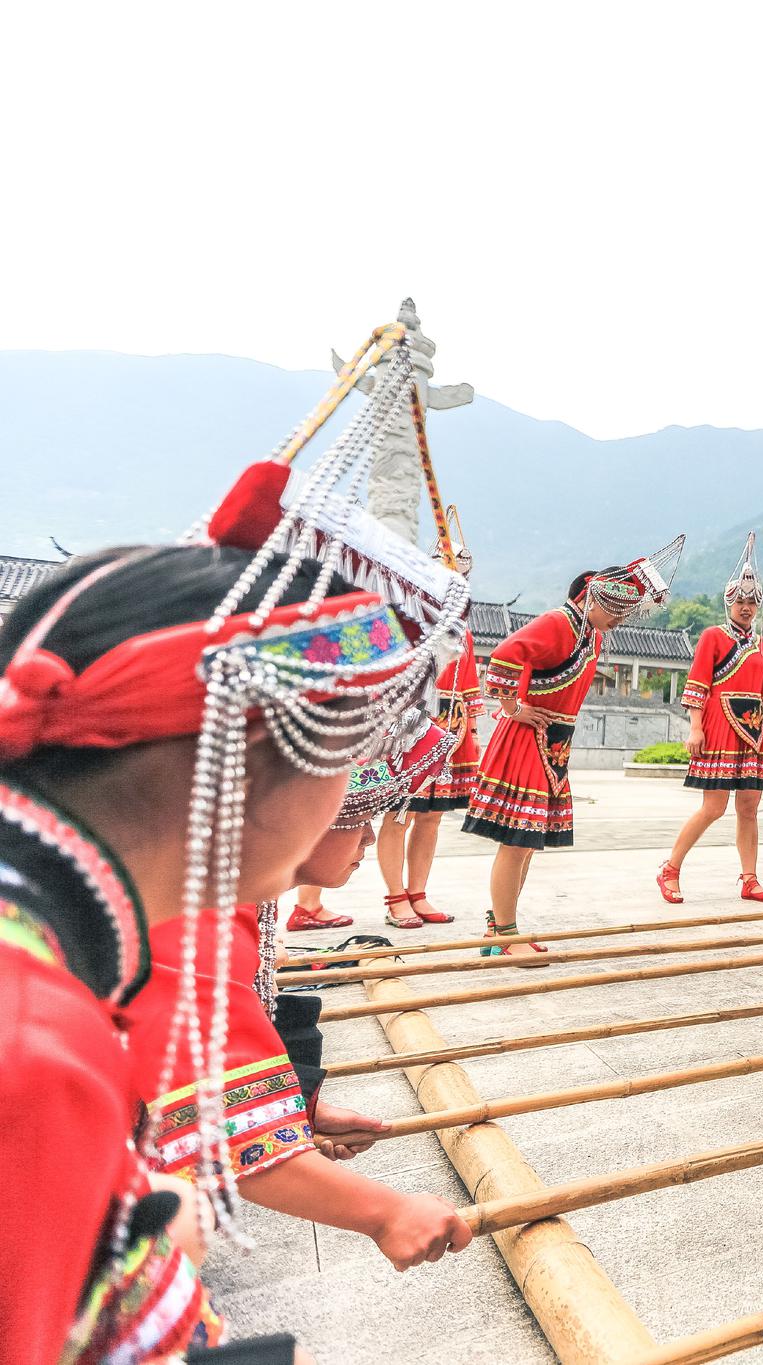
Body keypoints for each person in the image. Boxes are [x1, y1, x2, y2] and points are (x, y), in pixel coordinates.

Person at [0, 330, 473, 1358]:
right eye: (347, 760)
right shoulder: (29, 1055)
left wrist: (146, 1208)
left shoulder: (52, 944)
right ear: (253, 755)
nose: (353, 801)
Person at [128, 712, 475, 1271]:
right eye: (357, 814)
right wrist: (387, 1213)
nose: (368, 837)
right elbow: (225, 1126)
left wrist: (298, 1114)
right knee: (184, 1218)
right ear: (287, 805)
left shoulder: (210, 871)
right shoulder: (192, 907)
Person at [468, 548, 679, 959]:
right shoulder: (558, 622)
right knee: (516, 840)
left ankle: (500, 926)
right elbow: (506, 654)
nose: (619, 619)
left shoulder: (590, 633)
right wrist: (513, 708)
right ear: (591, 598)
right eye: (615, 609)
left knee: (526, 841)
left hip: (553, 744)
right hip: (527, 740)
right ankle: (506, 934)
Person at [659, 534, 763, 906]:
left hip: (753, 733)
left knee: (749, 807)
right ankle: (670, 869)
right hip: (719, 728)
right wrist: (696, 726)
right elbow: (698, 685)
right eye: (740, 600)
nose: (746, 607)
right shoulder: (712, 637)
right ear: (728, 603)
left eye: (752, 601)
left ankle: (750, 879)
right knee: (714, 807)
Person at [370, 540, 480, 932]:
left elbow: (466, 679)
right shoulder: (404, 614)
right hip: (411, 723)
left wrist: (473, 730)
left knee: (432, 817)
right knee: (401, 813)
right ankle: (395, 896)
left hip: (452, 723)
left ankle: (418, 891)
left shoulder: (460, 623)